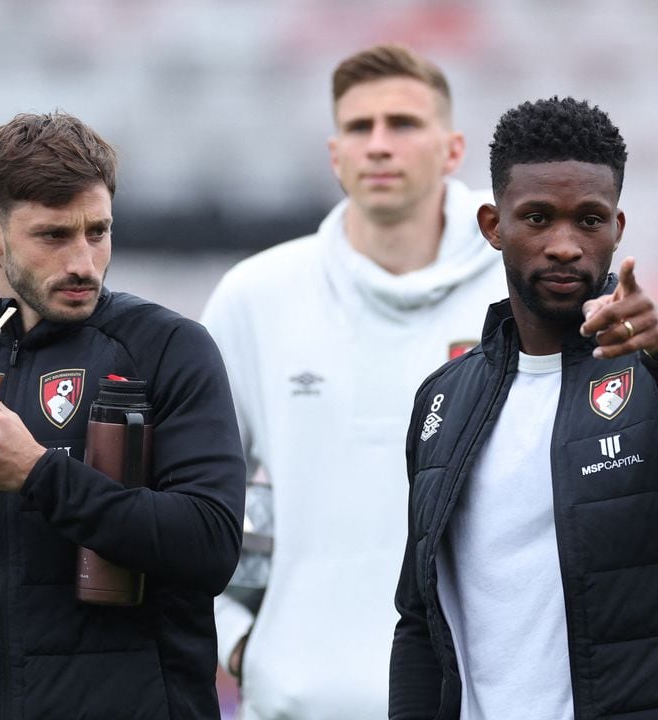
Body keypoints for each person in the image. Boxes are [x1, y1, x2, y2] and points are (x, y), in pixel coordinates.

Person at [390, 97, 658, 719]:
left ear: (618, 228)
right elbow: (420, 617)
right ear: (493, 225)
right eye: (537, 218)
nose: (564, 245)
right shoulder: (442, 399)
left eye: (588, 221)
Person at [0, 111, 245, 719]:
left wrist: (40, 474)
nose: (83, 261)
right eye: (53, 236)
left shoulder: (169, 351)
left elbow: (209, 543)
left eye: (97, 232)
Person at [200, 44, 506, 719]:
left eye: (402, 123)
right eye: (359, 128)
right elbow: (193, 489)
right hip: (295, 705)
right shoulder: (256, 297)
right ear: (335, 154)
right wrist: (235, 639)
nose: (379, 145)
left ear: (453, 150)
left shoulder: (522, 289)